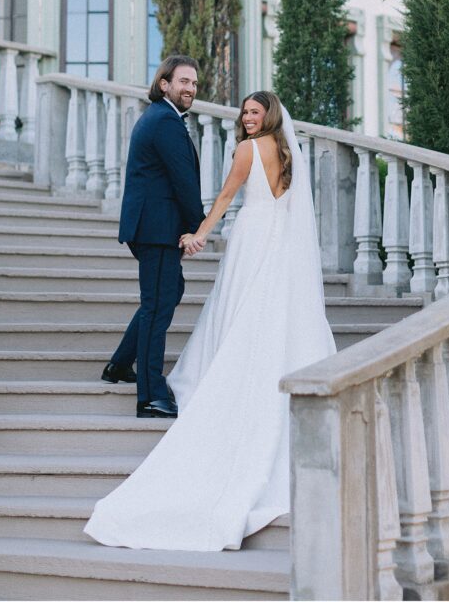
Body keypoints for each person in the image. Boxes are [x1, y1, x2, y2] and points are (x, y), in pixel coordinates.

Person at [85, 90, 336, 551]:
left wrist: (198, 235)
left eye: (254, 112)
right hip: (282, 244)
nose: (246, 117)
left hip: (253, 235)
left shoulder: (246, 148)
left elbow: (225, 196)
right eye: (245, 112)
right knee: (267, 309)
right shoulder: (287, 151)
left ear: (269, 116)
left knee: (239, 306)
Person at [100, 55, 205, 419]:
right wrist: (199, 228)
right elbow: (183, 181)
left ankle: (119, 365)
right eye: (183, 82)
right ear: (165, 84)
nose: (190, 88)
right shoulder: (164, 121)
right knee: (157, 307)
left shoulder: (163, 118)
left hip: (154, 226)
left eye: (193, 83)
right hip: (157, 229)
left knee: (166, 294)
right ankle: (150, 396)